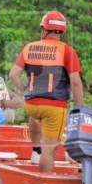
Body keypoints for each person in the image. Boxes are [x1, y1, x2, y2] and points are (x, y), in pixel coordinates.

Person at [9, 10, 84, 172]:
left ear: (44, 29)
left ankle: (36, 150)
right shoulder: (67, 51)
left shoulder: (29, 47)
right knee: (49, 150)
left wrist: (26, 91)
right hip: (54, 107)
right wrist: (80, 109)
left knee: (36, 117)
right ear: (61, 32)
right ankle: (45, 183)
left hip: (31, 105)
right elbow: (76, 83)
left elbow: (13, 75)